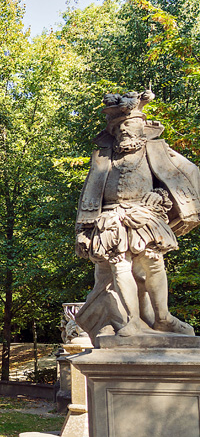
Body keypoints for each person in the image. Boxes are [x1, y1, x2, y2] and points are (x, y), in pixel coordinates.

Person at [74, 89, 200, 341]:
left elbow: (189, 175)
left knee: (153, 264)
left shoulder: (157, 151)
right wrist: (81, 231)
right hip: (110, 220)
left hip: (145, 216)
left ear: (142, 128)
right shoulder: (102, 158)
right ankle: (130, 321)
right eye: (120, 127)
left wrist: (161, 197)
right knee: (120, 267)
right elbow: (90, 193)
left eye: (130, 125)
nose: (125, 130)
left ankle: (162, 317)